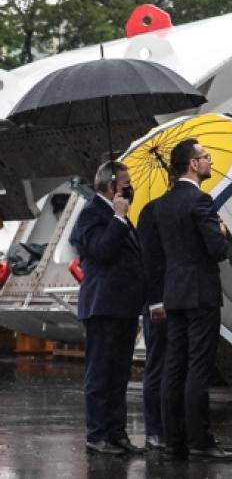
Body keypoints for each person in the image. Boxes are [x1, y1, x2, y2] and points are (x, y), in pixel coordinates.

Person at [158, 138, 232, 461]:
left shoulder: (163, 204)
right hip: (201, 294)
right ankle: (200, 441)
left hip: (175, 293)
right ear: (193, 164)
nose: (210, 161)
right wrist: (222, 233)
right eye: (205, 156)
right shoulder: (201, 201)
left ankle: (174, 441)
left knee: (174, 367)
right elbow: (216, 251)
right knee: (199, 367)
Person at [69, 161, 146, 456]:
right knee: (100, 374)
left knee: (118, 374)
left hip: (124, 306)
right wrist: (118, 218)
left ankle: (117, 433)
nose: (130, 189)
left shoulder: (120, 217)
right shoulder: (91, 214)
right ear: (111, 186)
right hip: (103, 306)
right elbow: (101, 251)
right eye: (125, 184)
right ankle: (97, 435)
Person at [135, 170, 175, 452]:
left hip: (181, 299)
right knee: (158, 364)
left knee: (174, 365)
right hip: (160, 301)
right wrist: (155, 301)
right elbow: (149, 260)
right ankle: (154, 430)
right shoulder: (151, 212)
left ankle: (171, 427)